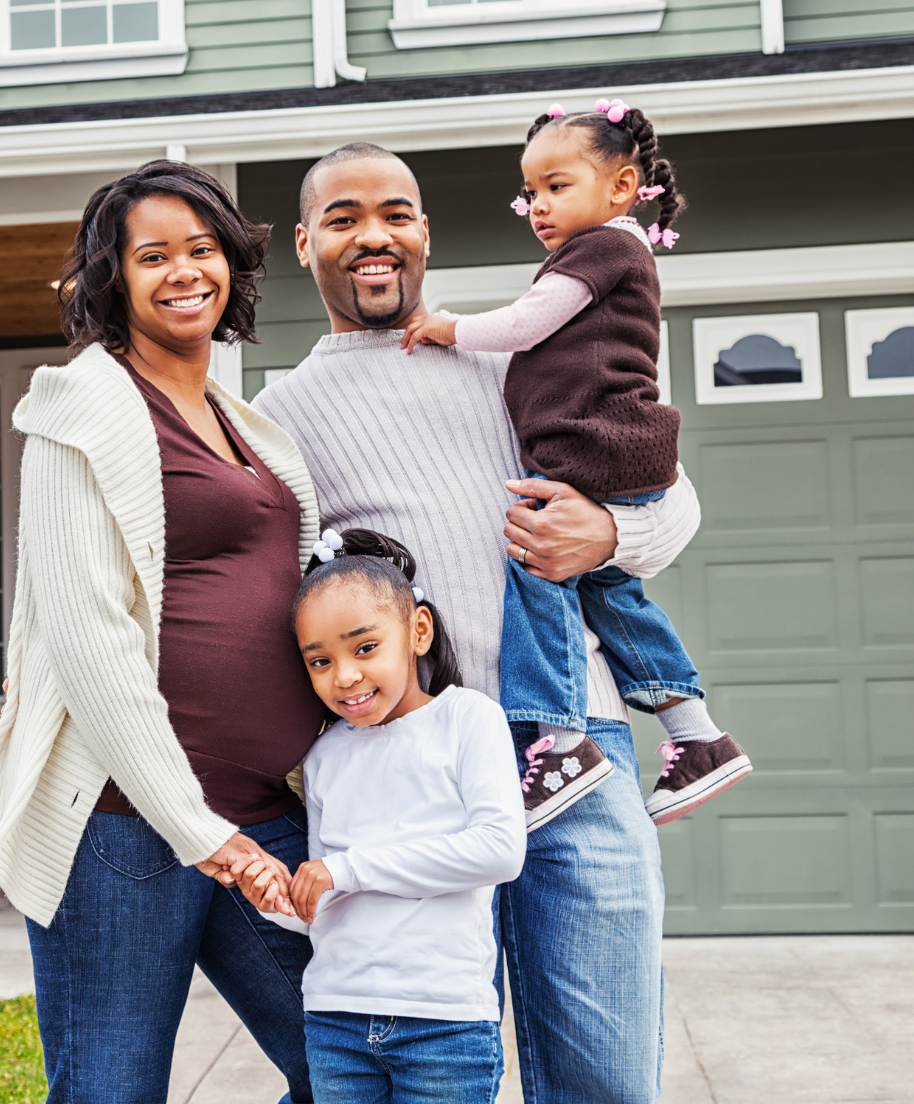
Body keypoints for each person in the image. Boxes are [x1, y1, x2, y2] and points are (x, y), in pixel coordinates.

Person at [253, 141, 699, 1103]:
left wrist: (609, 530)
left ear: (424, 231)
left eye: (395, 213)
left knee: (605, 1074)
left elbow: (673, 510)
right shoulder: (278, 416)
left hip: (573, 746)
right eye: (342, 218)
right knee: (427, 1071)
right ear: (303, 244)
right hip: (411, 777)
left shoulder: (514, 350)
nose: (373, 236)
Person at [0, 160, 323, 1104]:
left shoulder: (241, 422)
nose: (183, 271)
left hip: (263, 817)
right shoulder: (85, 406)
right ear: (113, 279)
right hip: (124, 826)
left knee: (360, 1068)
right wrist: (200, 831)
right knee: (111, 1093)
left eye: (202, 249)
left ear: (234, 265)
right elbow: (90, 643)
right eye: (151, 255)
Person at [400, 100, 751, 829]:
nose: (537, 205)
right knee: (612, 593)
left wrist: (447, 328)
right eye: (530, 191)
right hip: (617, 447)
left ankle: (562, 742)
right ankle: (698, 735)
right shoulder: (615, 251)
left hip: (595, 446)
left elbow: (527, 323)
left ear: (622, 187)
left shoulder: (603, 249)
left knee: (538, 569)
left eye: (557, 186)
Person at [233, 528, 526, 1104]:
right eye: (320, 661)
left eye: (364, 648)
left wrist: (347, 870)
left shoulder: (469, 720)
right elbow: (328, 903)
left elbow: (499, 850)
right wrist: (282, 902)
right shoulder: (322, 757)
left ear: (418, 631)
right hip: (335, 1019)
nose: (343, 676)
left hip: (443, 1023)